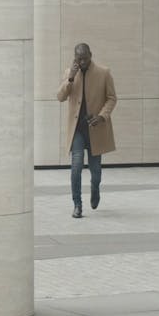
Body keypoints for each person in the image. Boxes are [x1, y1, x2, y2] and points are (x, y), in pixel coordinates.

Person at [57, 43, 117, 218]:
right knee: (76, 166)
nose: (81, 61)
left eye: (84, 58)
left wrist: (102, 116)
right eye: (78, 58)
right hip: (77, 129)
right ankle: (77, 205)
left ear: (91, 55)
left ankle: (95, 188)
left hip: (95, 128)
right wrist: (70, 78)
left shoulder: (104, 73)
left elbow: (112, 98)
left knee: (95, 171)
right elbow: (60, 97)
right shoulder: (70, 73)